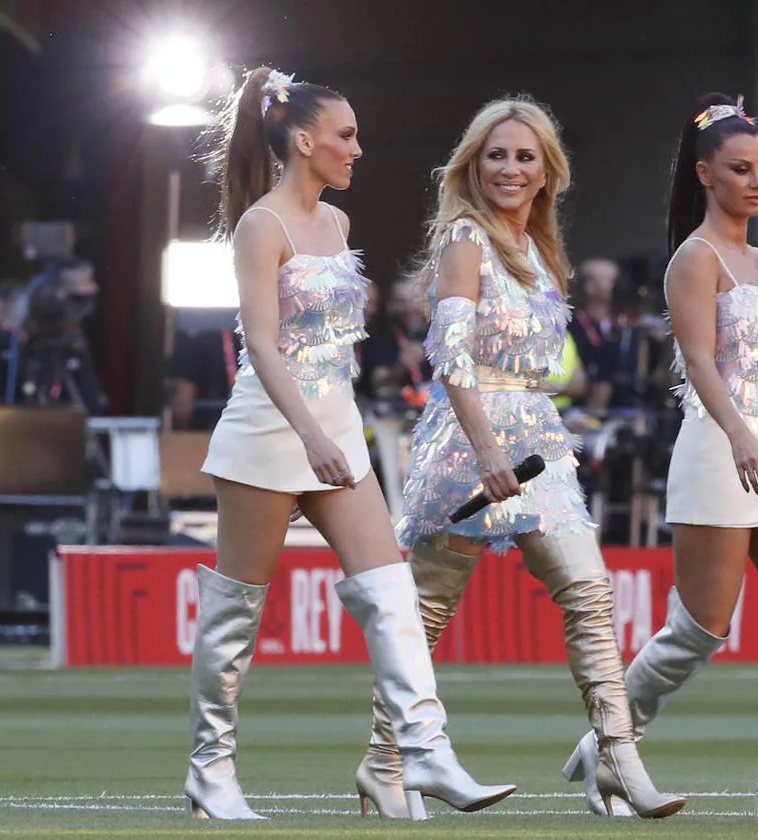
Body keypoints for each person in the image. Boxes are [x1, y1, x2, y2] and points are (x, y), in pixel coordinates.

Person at [188, 67, 514, 821]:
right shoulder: (260, 225)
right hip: (270, 431)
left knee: (392, 591)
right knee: (237, 610)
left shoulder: (335, 226)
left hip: (335, 427)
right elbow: (262, 348)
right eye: (346, 135)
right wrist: (310, 435)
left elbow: (334, 346)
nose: (358, 149)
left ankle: (424, 754)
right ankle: (210, 771)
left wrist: (338, 428)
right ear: (304, 142)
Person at [358, 96, 685, 820]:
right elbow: (450, 358)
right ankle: (384, 763)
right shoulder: (464, 240)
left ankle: (617, 756)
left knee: (589, 590)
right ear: (474, 165)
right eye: (497, 155)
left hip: (539, 436)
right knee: (429, 612)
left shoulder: (542, 251)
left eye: (524, 156)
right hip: (467, 440)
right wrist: (486, 450)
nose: (510, 168)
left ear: (547, 172)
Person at [566, 93, 758, 820]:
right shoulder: (695, 258)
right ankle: (611, 742)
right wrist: (740, 435)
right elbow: (697, 361)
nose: (757, 182)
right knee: (697, 632)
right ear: (705, 174)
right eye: (740, 169)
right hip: (722, 450)